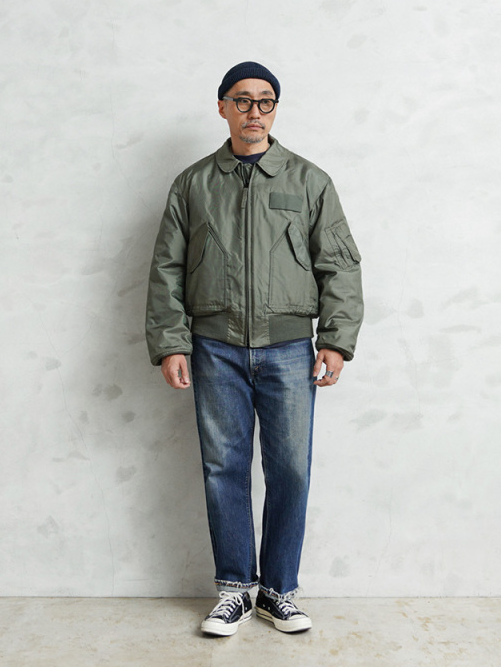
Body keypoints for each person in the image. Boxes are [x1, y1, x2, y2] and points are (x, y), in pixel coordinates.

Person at [146, 61, 363, 636]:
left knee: (290, 469)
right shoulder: (193, 184)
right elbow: (166, 268)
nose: (254, 112)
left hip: (289, 348)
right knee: (224, 467)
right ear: (222, 107)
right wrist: (171, 342)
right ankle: (235, 589)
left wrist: (336, 340)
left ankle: (279, 591)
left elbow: (340, 266)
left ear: (275, 109)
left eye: (265, 101)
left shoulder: (310, 181)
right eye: (242, 100)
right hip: (213, 347)